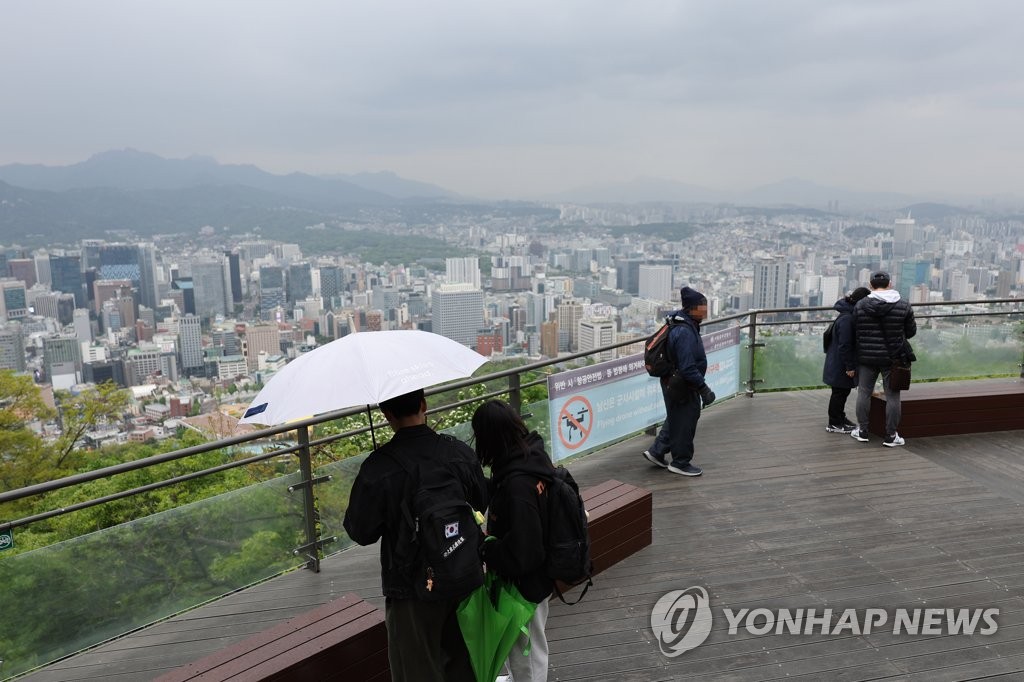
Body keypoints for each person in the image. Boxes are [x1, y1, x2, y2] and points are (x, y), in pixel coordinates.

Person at [343, 388, 488, 682]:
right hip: (465, 576)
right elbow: (480, 503)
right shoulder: (458, 452)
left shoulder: (379, 467)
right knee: (466, 668)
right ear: (424, 404)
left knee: (416, 672)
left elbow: (361, 532)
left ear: (386, 415)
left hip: (411, 590)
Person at [471, 400, 555, 682]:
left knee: (526, 652)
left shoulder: (517, 483)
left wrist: (487, 548)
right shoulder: (529, 459)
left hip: (525, 587)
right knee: (529, 647)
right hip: (538, 578)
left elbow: (524, 551)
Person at [642, 286, 715, 476]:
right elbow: (688, 367)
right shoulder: (683, 332)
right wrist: (703, 389)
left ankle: (657, 451)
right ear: (692, 308)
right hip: (682, 383)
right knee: (686, 419)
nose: (706, 310)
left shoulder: (684, 323)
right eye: (702, 306)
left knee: (677, 416)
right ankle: (680, 462)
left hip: (673, 382)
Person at [850, 271, 917, 447]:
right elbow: (910, 332)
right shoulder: (903, 305)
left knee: (864, 392)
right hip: (893, 357)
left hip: (866, 356)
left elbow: (855, 330)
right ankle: (891, 435)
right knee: (893, 395)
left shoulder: (861, 305)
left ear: (871, 286)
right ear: (890, 284)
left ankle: (863, 431)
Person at [822, 287, 871, 433]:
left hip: (838, 361)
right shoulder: (848, 319)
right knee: (839, 392)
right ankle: (834, 422)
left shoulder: (848, 314)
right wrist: (849, 367)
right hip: (840, 363)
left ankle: (840, 418)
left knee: (842, 392)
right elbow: (845, 345)